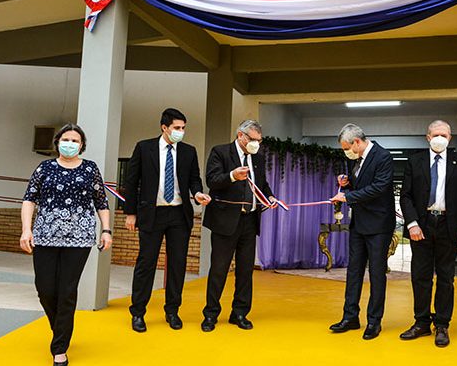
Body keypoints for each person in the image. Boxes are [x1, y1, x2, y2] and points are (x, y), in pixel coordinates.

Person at [20, 123, 112, 366]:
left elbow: (101, 202)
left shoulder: (90, 169)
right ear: (57, 142)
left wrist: (106, 230)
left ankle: (59, 348)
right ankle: (60, 329)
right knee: (45, 289)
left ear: (82, 145)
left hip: (78, 239)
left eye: (75, 140)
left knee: (67, 291)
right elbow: (29, 200)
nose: (70, 144)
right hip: (44, 236)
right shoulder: (44, 168)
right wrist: (26, 229)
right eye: (66, 139)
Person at [124, 108, 211, 332]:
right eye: (177, 128)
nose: (181, 132)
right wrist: (130, 213)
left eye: (183, 128)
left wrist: (198, 193)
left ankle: (172, 311)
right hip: (151, 214)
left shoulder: (188, 151)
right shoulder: (144, 148)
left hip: (179, 215)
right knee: (146, 263)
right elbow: (131, 182)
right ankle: (138, 313)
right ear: (164, 127)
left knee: (177, 265)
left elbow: (194, 179)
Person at [399, 120, 457, 347]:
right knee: (420, 276)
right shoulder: (415, 162)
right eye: (436, 134)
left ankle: (442, 324)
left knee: (445, 277)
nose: (440, 138)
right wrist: (412, 224)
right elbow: (406, 196)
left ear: (450, 138)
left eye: (445, 135)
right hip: (421, 224)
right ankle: (421, 322)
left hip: (448, 226)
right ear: (428, 137)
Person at [201, 120, 277, 332]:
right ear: (240, 136)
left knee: (245, 271)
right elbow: (212, 180)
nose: (256, 144)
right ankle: (210, 314)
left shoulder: (258, 158)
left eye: (259, 141)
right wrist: (233, 176)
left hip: (249, 221)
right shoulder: (221, 152)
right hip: (225, 221)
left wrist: (269, 197)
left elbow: (262, 184)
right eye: (252, 140)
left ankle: (240, 313)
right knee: (219, 270)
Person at [329, 123, 395, 340]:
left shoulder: (382, 156)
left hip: (378, 226)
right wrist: (346, 185)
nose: (346, 151)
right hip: (358, 224)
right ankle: (350, 317)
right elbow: (359, 189)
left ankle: (374, 321)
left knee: (376, 274)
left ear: (357, 142)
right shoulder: (355, 160)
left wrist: (348, 197)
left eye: (347, 147)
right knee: (353, 271)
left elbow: (379, 187)